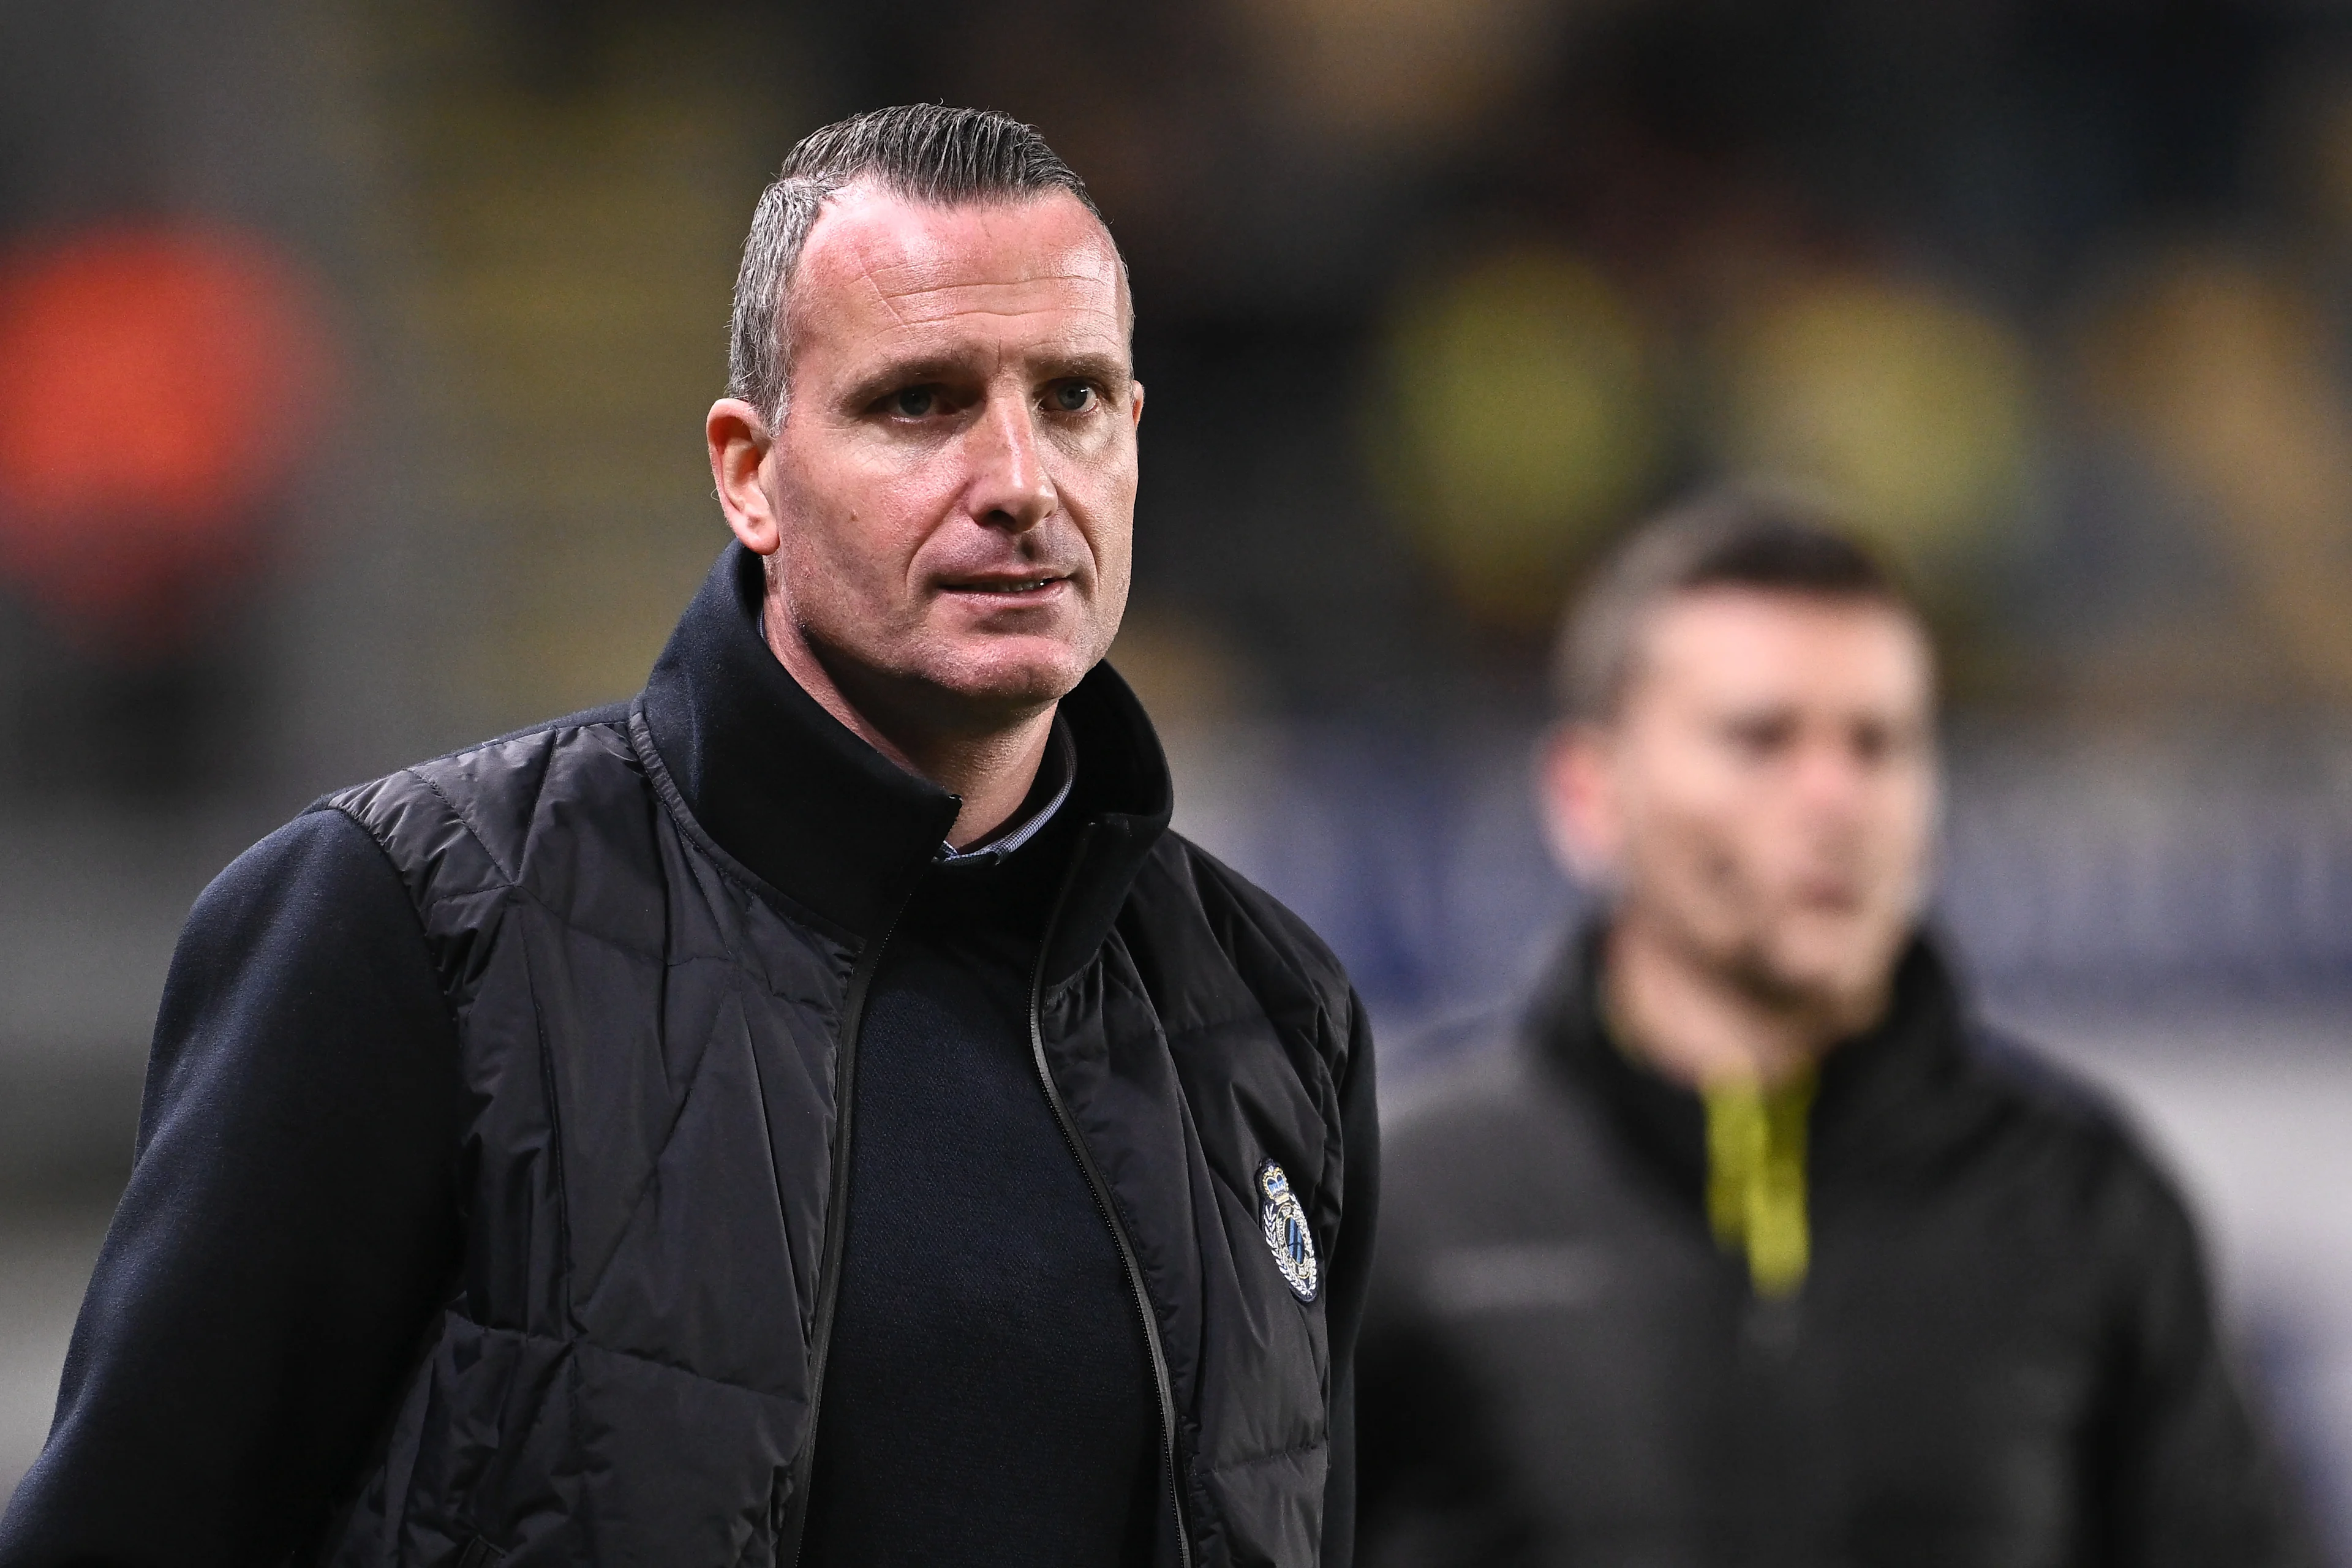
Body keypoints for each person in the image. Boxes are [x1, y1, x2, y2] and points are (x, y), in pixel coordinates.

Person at [0, 105, 1376, 1568]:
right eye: (920, 401)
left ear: (1136, 437)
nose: (1022, 480)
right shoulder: (409, 923)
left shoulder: (1271, 1015)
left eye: (1075, 397)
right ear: (750, 472)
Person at [1354, 494, 2312, 1567]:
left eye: (1879, 743)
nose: (1834, 798)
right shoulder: (1407, 1198)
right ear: (1589, 795)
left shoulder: (2082, 1207)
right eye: (1760, 740)